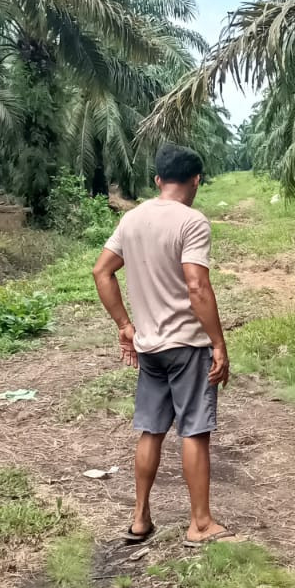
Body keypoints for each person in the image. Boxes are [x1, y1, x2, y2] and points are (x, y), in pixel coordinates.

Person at [92, 144, 231, 546]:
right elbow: (196, 284)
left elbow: (102, 271)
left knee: (151, 430)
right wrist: (218, 343)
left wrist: (124, 325)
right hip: (187, 344)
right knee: (194, 431)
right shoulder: (192, 222)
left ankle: (139, 519)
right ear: (196, 181)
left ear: (157, 180)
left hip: (150, 345)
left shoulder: (131, 219)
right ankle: (200, 523)